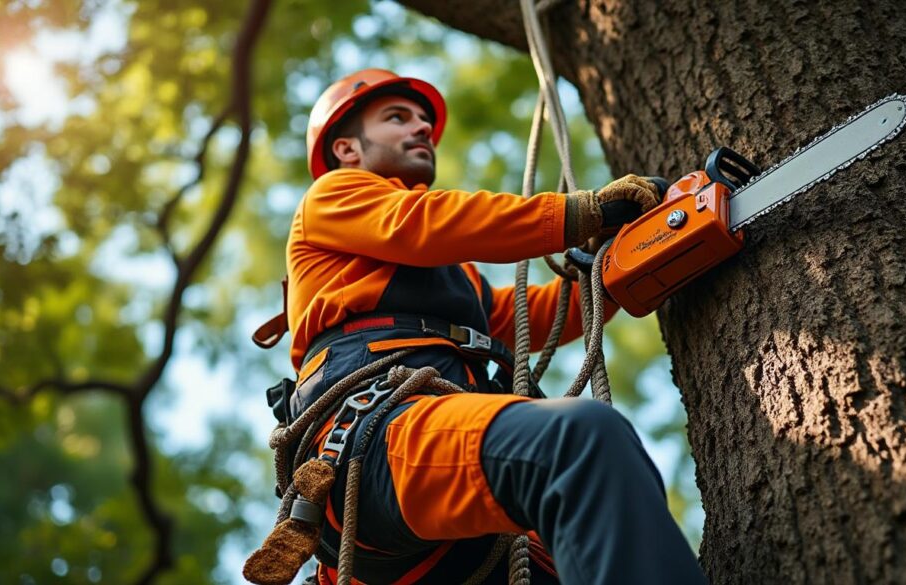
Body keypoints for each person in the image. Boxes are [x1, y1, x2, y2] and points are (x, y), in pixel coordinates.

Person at [262, 68, 706, 584]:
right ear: (346, 149)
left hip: (448, 502)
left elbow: (531, 315)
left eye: (423, 119)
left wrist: (621, 260)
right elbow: (426, 222)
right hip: (378, 439)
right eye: (397, 118)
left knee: (596, 517)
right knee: (579, 443)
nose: (422, 128)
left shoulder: (454, 280)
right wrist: (582, 213)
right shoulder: (334, 195)